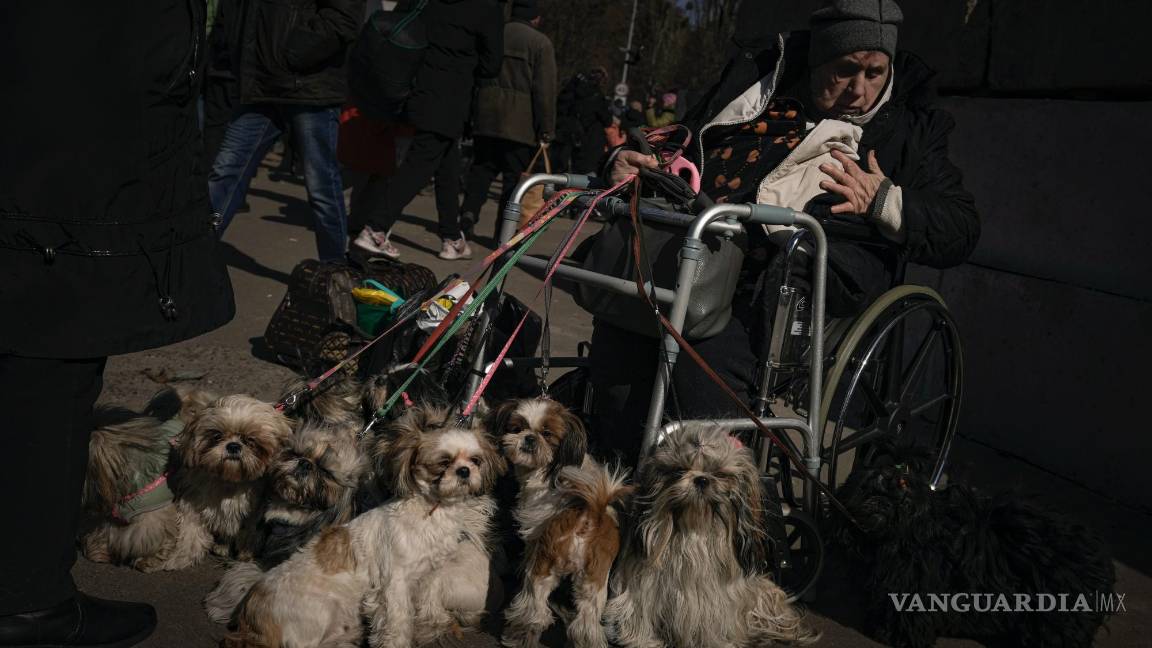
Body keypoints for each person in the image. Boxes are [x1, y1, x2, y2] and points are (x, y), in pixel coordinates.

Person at [590, 0, 980, 464]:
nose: (860, 89)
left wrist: (885, 200)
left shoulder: (910, 128)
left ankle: (715, 510)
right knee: (618, 340)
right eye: (845, 70)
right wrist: (629, 163)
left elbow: (960, 228)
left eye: (876, 72)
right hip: (685, 254)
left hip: (773, 285)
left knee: (701, 377)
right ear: (817, 60)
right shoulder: (754, 85)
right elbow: (680, 142)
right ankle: (609, 487)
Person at [0, 1, 235, 645]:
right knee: (50, 367)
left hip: (58, 127)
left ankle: (27, 588)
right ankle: (27, 600)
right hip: (72, 144)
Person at [208, 0, 361, 263]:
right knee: (226, 171)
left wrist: (290, 54)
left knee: (322, 185)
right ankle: (193, 256)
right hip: (261, 86)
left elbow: (342, 19)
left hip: (308, 85)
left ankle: (334, 271)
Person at [352, 0, 504, 261]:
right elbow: (492, 64)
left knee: (447, 164)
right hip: (451, 96)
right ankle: (375, 228)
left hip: (419, 87)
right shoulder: (486, 8)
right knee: (420, 164)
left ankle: (452, 237)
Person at [458, 0, 557, 241]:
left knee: (482, 170)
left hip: (487, 115)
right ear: (535, 18)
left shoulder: (495, 33)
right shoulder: (540, 43)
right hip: (520, 125)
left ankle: (468, 213)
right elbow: (544, 91)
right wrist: (546, 128)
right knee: (513, 181)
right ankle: (501, 232)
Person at [554, 68, 613, 175]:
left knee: (559, 168)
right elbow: (607, 120)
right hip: (588, 143)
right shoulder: (597, 96)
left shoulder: (572, 90)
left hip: (565, 136)